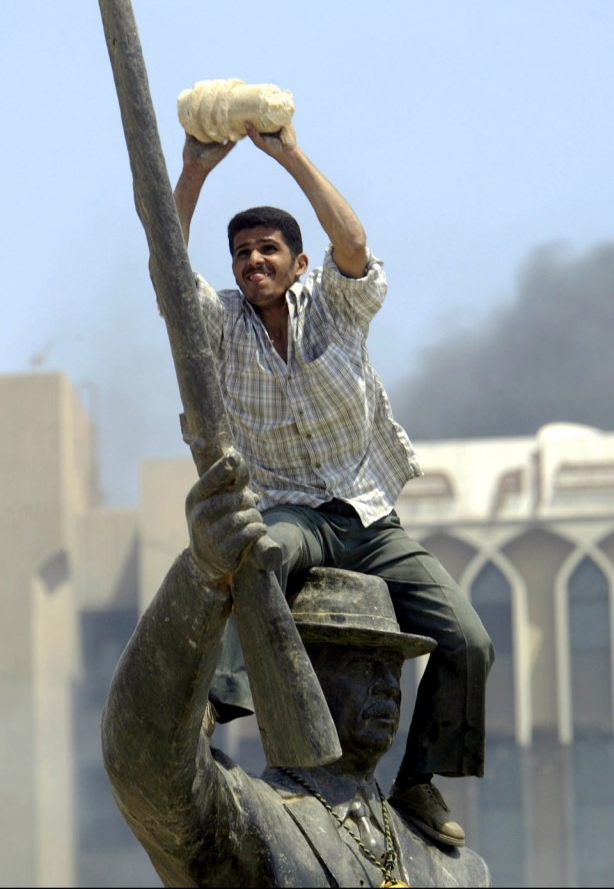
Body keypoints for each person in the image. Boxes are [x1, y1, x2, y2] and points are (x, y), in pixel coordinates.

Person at [169, 119, 495, 848]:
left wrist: (287, 154)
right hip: (294, 511)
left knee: (468, 641)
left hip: (369, 514)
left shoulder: (335, 305)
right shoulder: (222, 326)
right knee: (262, 553)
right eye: (243, 253)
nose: (254, 261)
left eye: (268, 250)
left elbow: (354, 246)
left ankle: (418, 781)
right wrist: (193, 171)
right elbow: (165, 262)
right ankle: (210, 717)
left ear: (296, 261)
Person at [101, 448, 491, 888]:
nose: (387, 684)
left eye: (393, 666)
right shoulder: (251, 822)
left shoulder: (457, 873)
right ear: (300, 670)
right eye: (361, 663)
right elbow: (148, 764)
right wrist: (203, 576)